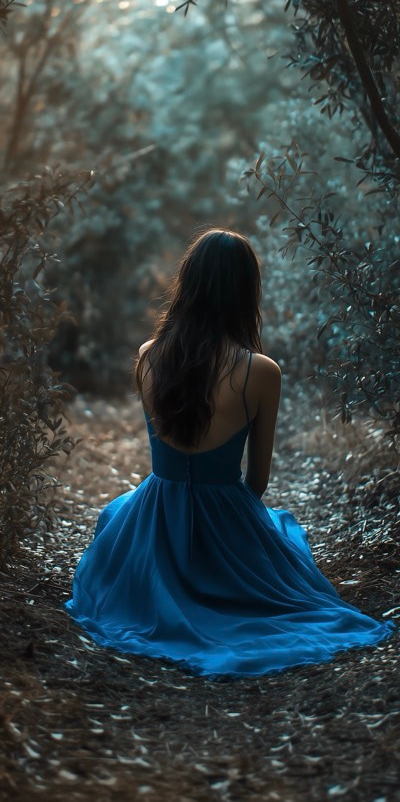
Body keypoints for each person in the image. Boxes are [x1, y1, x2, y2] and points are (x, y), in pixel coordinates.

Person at [65, 229, 394, 678]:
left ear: (189, 285)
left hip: (155, 518)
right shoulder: (261, 372)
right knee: (282, 552)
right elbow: (257, 482)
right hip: (223, 515)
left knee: (115, 521)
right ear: (245, 293)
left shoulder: (148, 356)